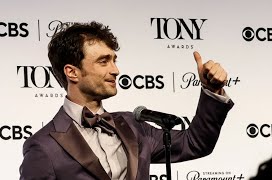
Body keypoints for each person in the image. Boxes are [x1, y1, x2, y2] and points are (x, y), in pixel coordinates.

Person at [19, 21, 234, 180]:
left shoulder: (133, 125)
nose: (115, 70)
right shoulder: (44, 146)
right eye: (104, 62)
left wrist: (212, 90)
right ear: (72, 72)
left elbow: (195, 143)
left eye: (114, 61)